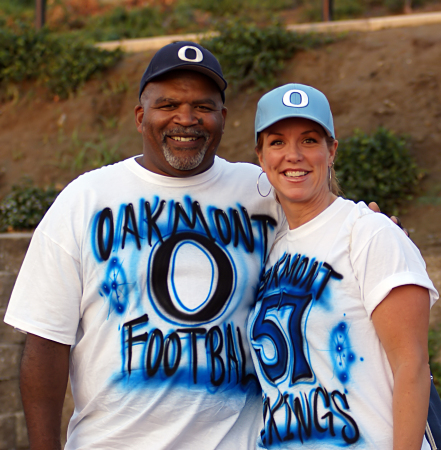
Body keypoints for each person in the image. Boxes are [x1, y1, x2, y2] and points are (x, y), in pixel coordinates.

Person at [3, 42, 405, 449]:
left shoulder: (261, 190)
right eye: (169, 104)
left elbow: (326, 222)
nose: (186, 118)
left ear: (223, 119)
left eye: (203, 106)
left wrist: (376, 226)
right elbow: (46, 342)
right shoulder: (84, 201)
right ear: (141, 117)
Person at [247, 83, 439, 449]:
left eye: (308, 140)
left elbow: (411, 367)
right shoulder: (269, 250)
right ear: (260, 156)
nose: (293, 155)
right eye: (277, 142)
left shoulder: (366, 231)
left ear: (331, 150)